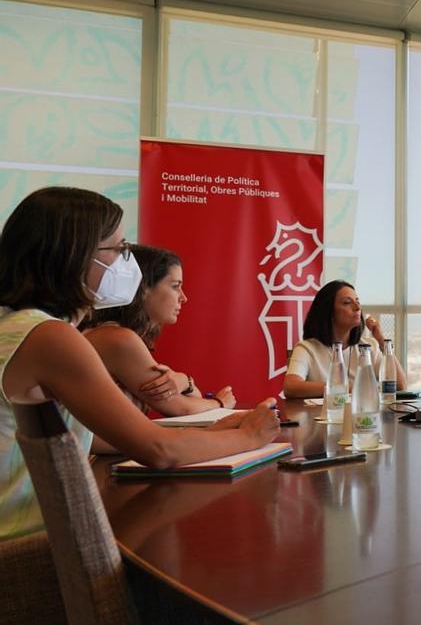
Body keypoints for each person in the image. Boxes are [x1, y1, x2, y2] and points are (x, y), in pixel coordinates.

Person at [0, 186, 280, 540]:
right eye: (118, 250)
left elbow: (101, 438)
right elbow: (158, 451)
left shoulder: (16, 326)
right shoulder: (51, 338)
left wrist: (218, 431)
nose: (125, 263)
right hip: (28, 550)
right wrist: (252, 435)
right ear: (74, 255)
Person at [81, 244, 236, 416]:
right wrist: (220, 402)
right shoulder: (118, 339)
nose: (183, 298)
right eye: (175, 286)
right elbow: (181, 408)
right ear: (143, 287)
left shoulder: (117, 334)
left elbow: (190, 399)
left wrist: (185, 381)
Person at [282, 280, 404, 399]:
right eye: (347, 303)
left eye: (358, 301)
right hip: (322, 417)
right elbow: (291, 387)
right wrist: (346, 388)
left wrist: (381, 339)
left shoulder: (368, 347)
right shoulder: (307, 348)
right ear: (328, 311)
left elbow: (400, 385)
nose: (357, 307)